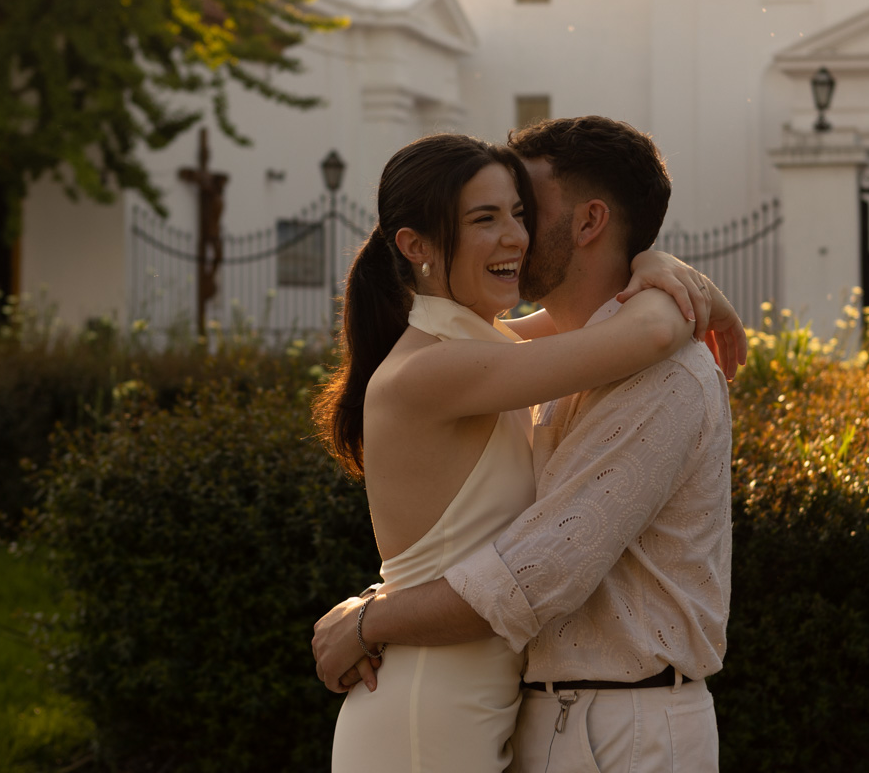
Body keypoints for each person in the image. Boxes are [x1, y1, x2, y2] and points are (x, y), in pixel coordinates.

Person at [315, 117, 735, 773]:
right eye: (488, 216)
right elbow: (640, 332)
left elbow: (531, 577)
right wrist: (673, 286)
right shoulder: (471, 364)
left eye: (523, 209)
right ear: (418, 244)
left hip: (609, 725)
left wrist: (372, 620)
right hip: (460, 714)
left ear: (590, 222)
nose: (516, 234)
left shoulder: (541, 357)